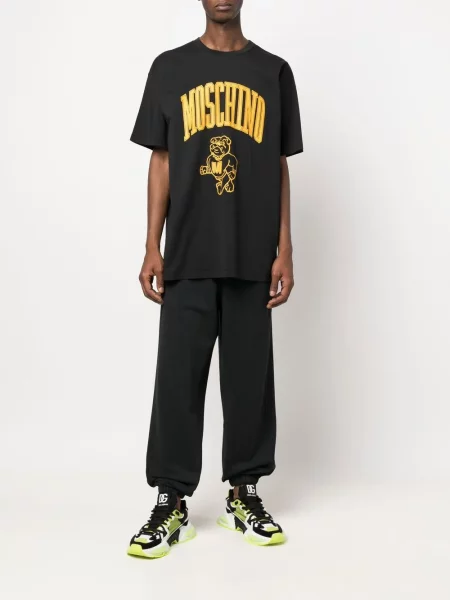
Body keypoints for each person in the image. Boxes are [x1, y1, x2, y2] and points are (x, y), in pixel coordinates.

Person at [127, 0, 303, 559]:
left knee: (250, 381)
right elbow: (161, 160)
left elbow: (278, 163)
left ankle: (243, 493)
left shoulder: (273, 72)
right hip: (188, 252)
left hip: (253, 255)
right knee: (177, 381)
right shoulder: (170, 68)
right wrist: (152, 244)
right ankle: (171, 500)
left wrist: (285, 247)